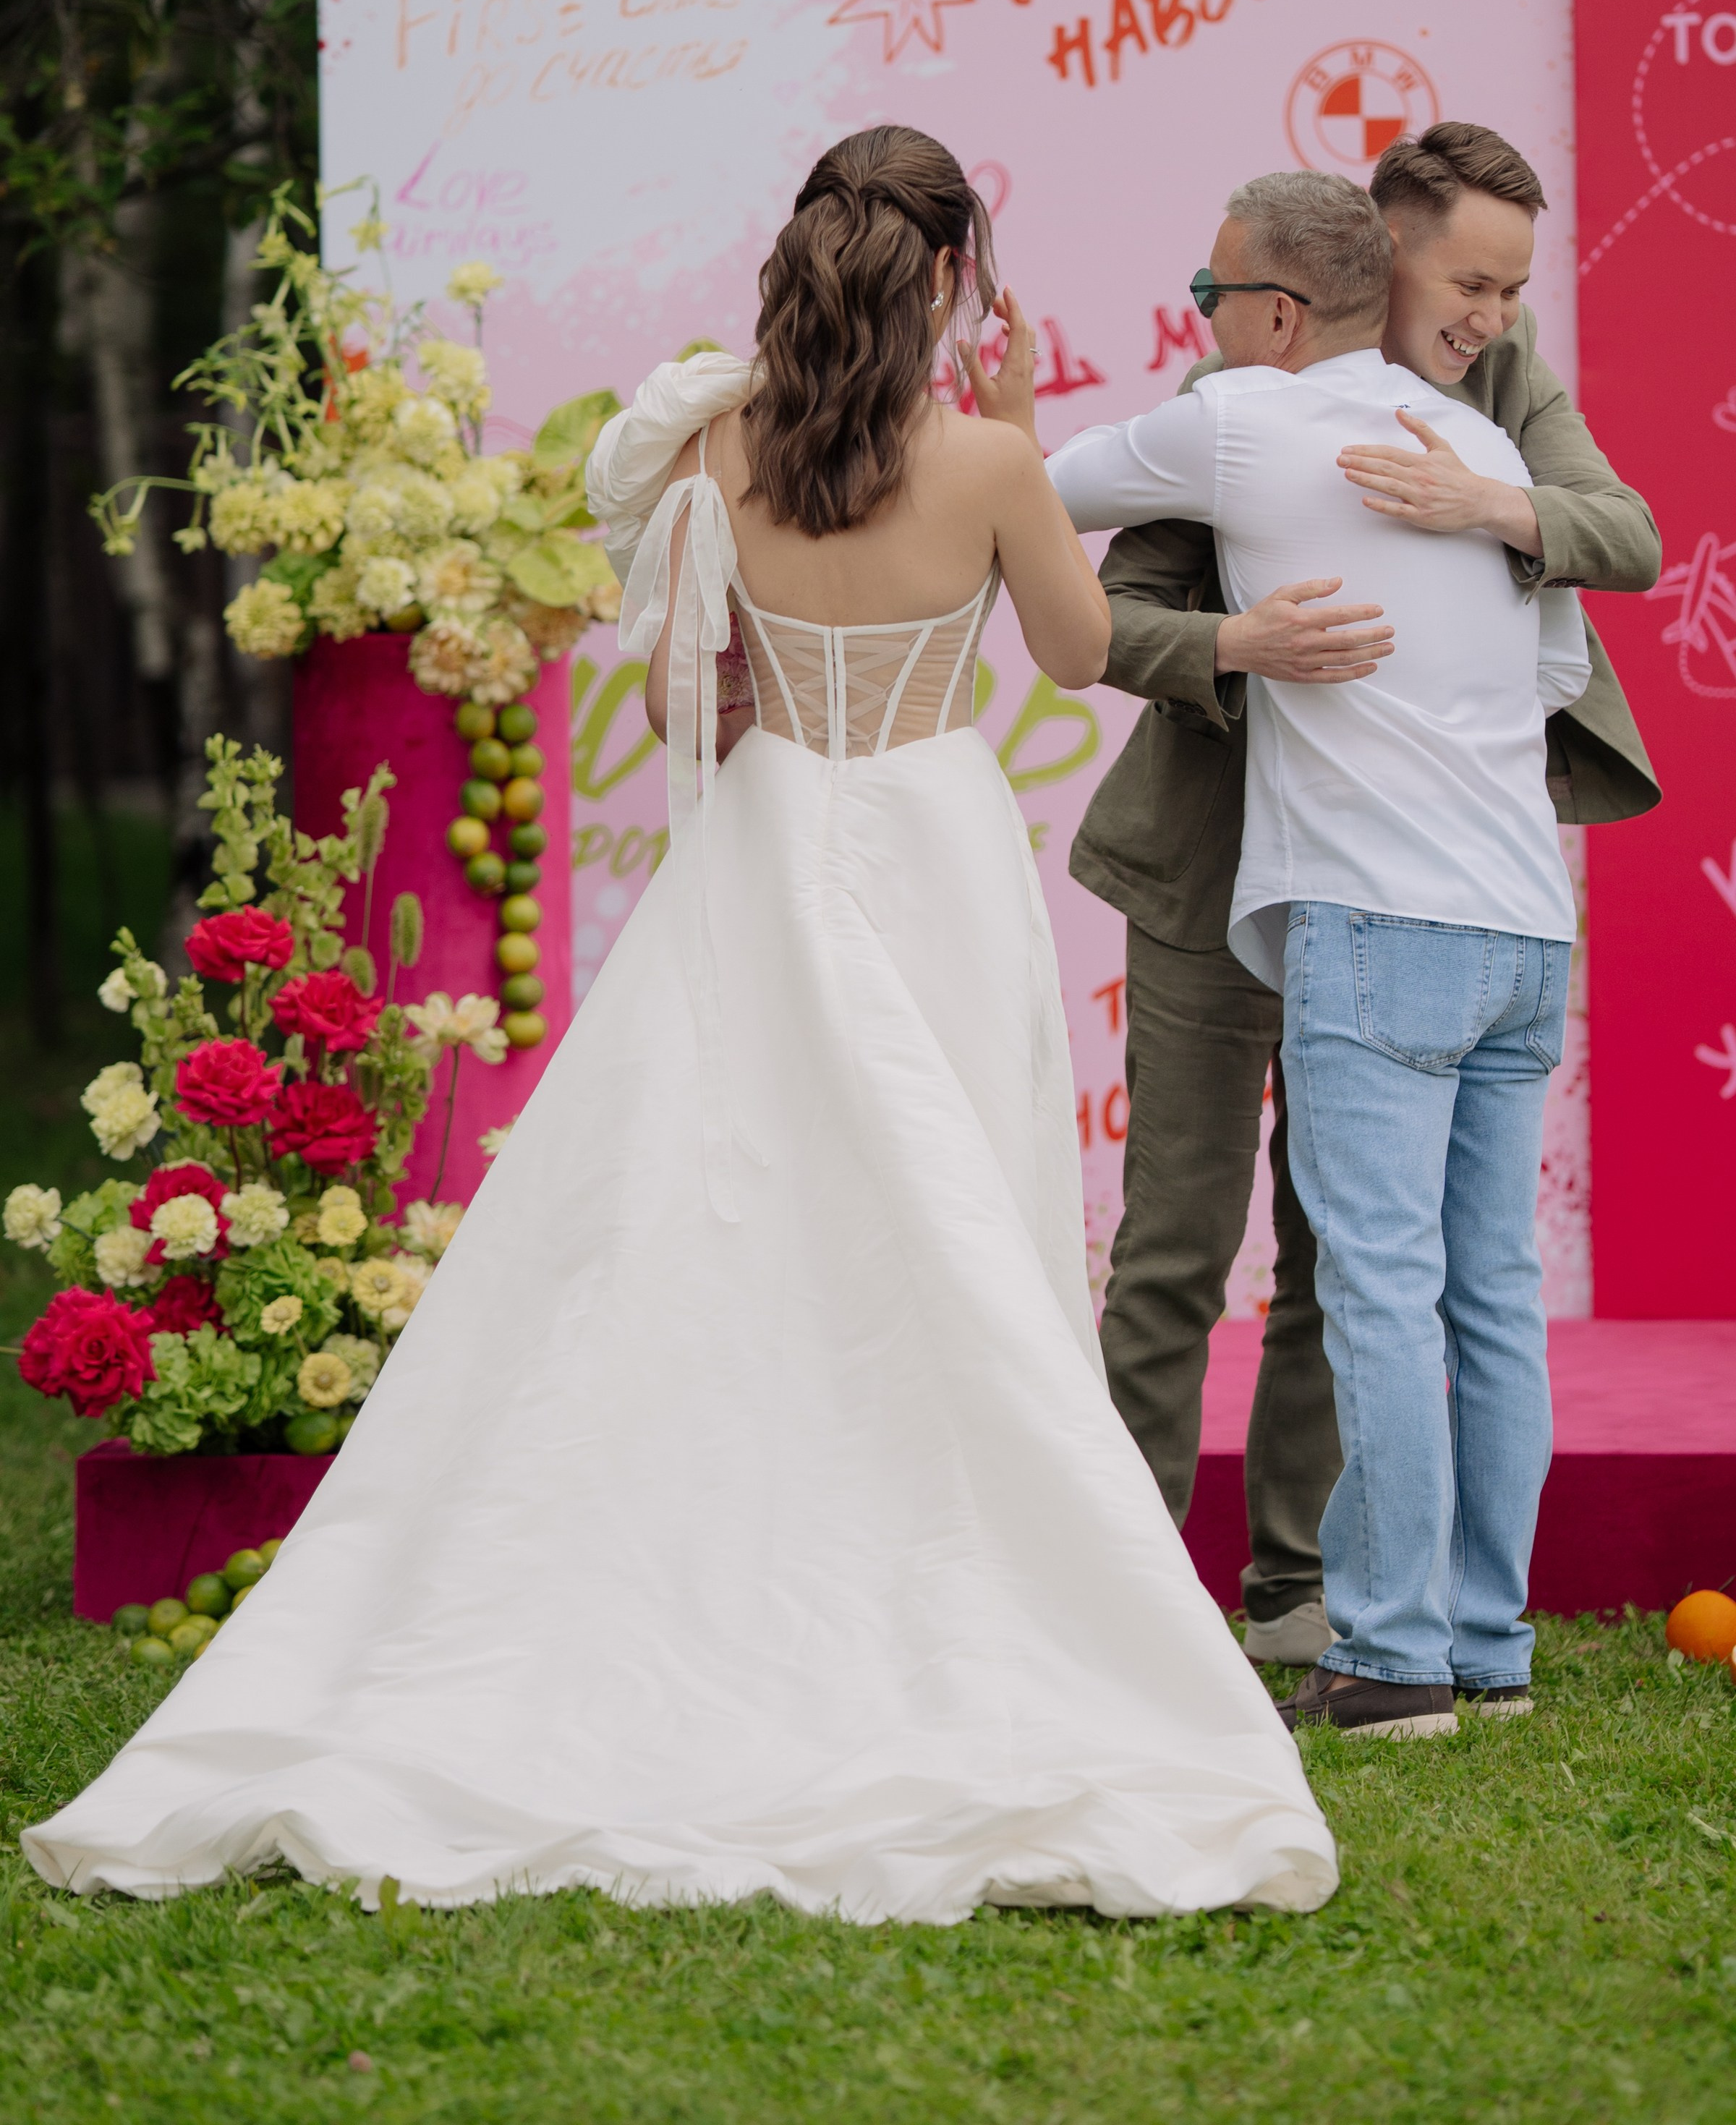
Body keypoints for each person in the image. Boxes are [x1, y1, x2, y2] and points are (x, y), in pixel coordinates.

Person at [25, 127, 1337, 1920]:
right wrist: (1032, 430)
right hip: (931, 845)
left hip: (765, 835)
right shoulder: (991, 459)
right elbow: (1076, 651)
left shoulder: (718, 447)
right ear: (951, 277)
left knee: (719, 1203)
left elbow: (689, 709)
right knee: (942, 1203)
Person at [1070, 125, 1660, 1667]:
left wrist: (1489, 507)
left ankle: (1297, 1590)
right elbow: (1103, 608)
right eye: (1469, 280)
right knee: (1177, 1249)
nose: (1493, 315)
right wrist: (1231, 649)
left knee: (1355, 1268)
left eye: (1512, 286)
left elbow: (1625, 533)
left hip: (1409, 901)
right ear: (1375, 259)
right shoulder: (1228, 407)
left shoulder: (1504, 398)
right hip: (1217, 872)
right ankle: (1128, 1601)